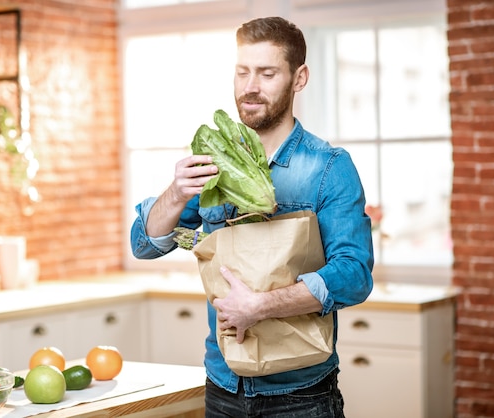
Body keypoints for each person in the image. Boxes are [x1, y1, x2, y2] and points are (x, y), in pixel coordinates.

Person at [130, 16, 373, 418]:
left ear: (299, 78)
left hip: (301, 395)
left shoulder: (329, 167)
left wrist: (259, 306)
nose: (250, 87)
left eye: (267, 73)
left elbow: (353, 276)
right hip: (223, 386)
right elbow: (144, 245)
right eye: (242, 72)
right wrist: (175, 192)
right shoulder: (214, 162)